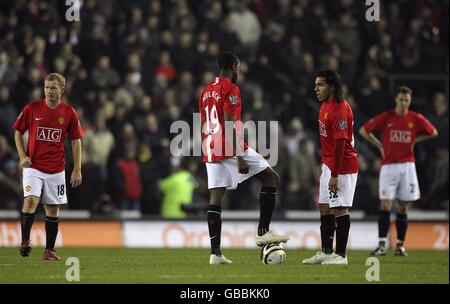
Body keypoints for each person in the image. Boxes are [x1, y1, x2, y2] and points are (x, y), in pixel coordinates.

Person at [199, 52, 289, 265]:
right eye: (239, 67)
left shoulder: (206, 91)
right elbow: (230, 124)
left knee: (216, 198)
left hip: (210, 147)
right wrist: (239, 156)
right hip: (229, 147)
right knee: (271, 179)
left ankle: (215, 254)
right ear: (234, 66)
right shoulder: (231, 88)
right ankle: (263, 231)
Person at [359, 86, 438, 256]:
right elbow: (364, 130)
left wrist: (416, 139)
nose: (403, 103)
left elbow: (433, 132)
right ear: (396, 100)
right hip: (388, 166)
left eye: (406, 100)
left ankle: (400, 245)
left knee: (403, 206)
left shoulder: (415, 119)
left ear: (409, 101)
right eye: (401, 99)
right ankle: (381, 244)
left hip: (407, 166)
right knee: (385, 203)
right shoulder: (387, 118)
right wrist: (380, 145)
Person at [13, 73, 84, 261]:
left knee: (52, 209)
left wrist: (77, 168)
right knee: (30, 201)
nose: (48, 91)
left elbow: (76, 141)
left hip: (56, 170)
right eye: (46, 87)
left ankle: (49, 251)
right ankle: (25, 241)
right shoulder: (32, 108)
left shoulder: (69, 113)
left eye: (53, 88)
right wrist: (22, 156)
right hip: (33, 166)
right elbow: (18, 132)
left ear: (62, 89)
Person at [302, 70, 358, 265]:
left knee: (340, 209)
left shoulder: (340, 109)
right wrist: (324, 164)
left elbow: (341, 144)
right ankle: (326, 252)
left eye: (320, 85)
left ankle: (341, 256)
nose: (316, 89)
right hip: (329, 165)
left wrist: (334, 174)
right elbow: (328, 142)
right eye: (315, 85)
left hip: (342, 167)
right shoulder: (325, 106)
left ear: (332, 87)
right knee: (325, 207)